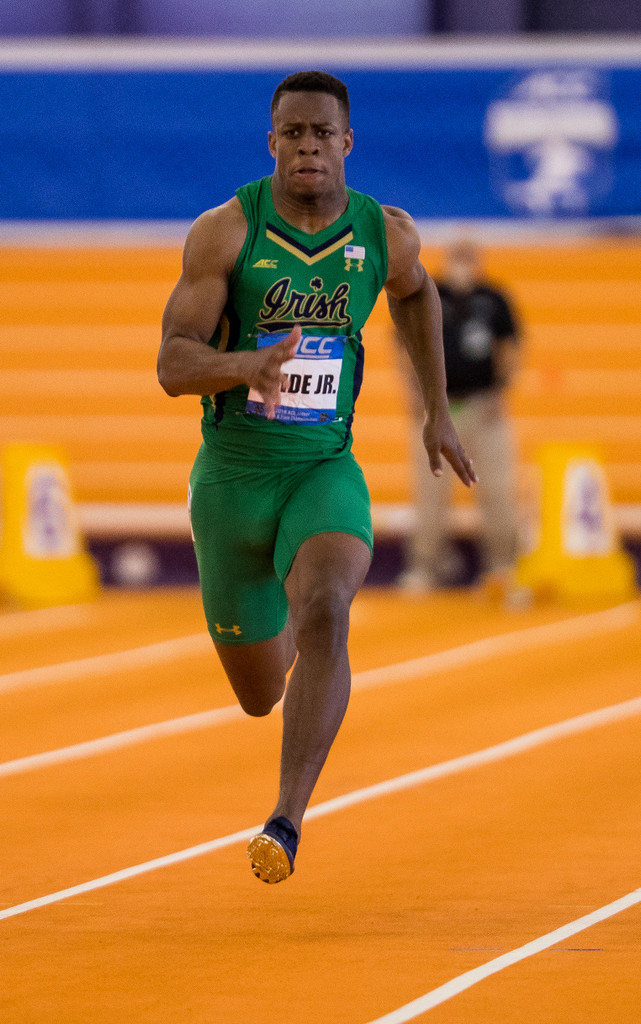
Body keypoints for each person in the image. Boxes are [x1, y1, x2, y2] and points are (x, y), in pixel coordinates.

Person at [157, 70, 476, 884]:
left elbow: (416, 295)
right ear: (271, 143)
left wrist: (435, 409)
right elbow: (171, 363)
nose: (307, 146)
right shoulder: (224, 233)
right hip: (231, 480)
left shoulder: (385, 231)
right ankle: (287, 652)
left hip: (322, 467)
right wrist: (244, 366)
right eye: (291, 133)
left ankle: (285, 818)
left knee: (328, 604)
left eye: (321, 134)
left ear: (346, 143)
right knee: (260, 694)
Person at [398, 238, 521, 599]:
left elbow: (511, 348)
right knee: (430, 492)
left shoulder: (495, 297)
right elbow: (404, 346)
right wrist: (415, 396)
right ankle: (425, 567)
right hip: (438, 409)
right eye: (458, 256)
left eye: (469, 256)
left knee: (497, 490)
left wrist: (500, 392)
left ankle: (502, 566)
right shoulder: (427, 293)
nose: (463, 264)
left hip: (483, 407)